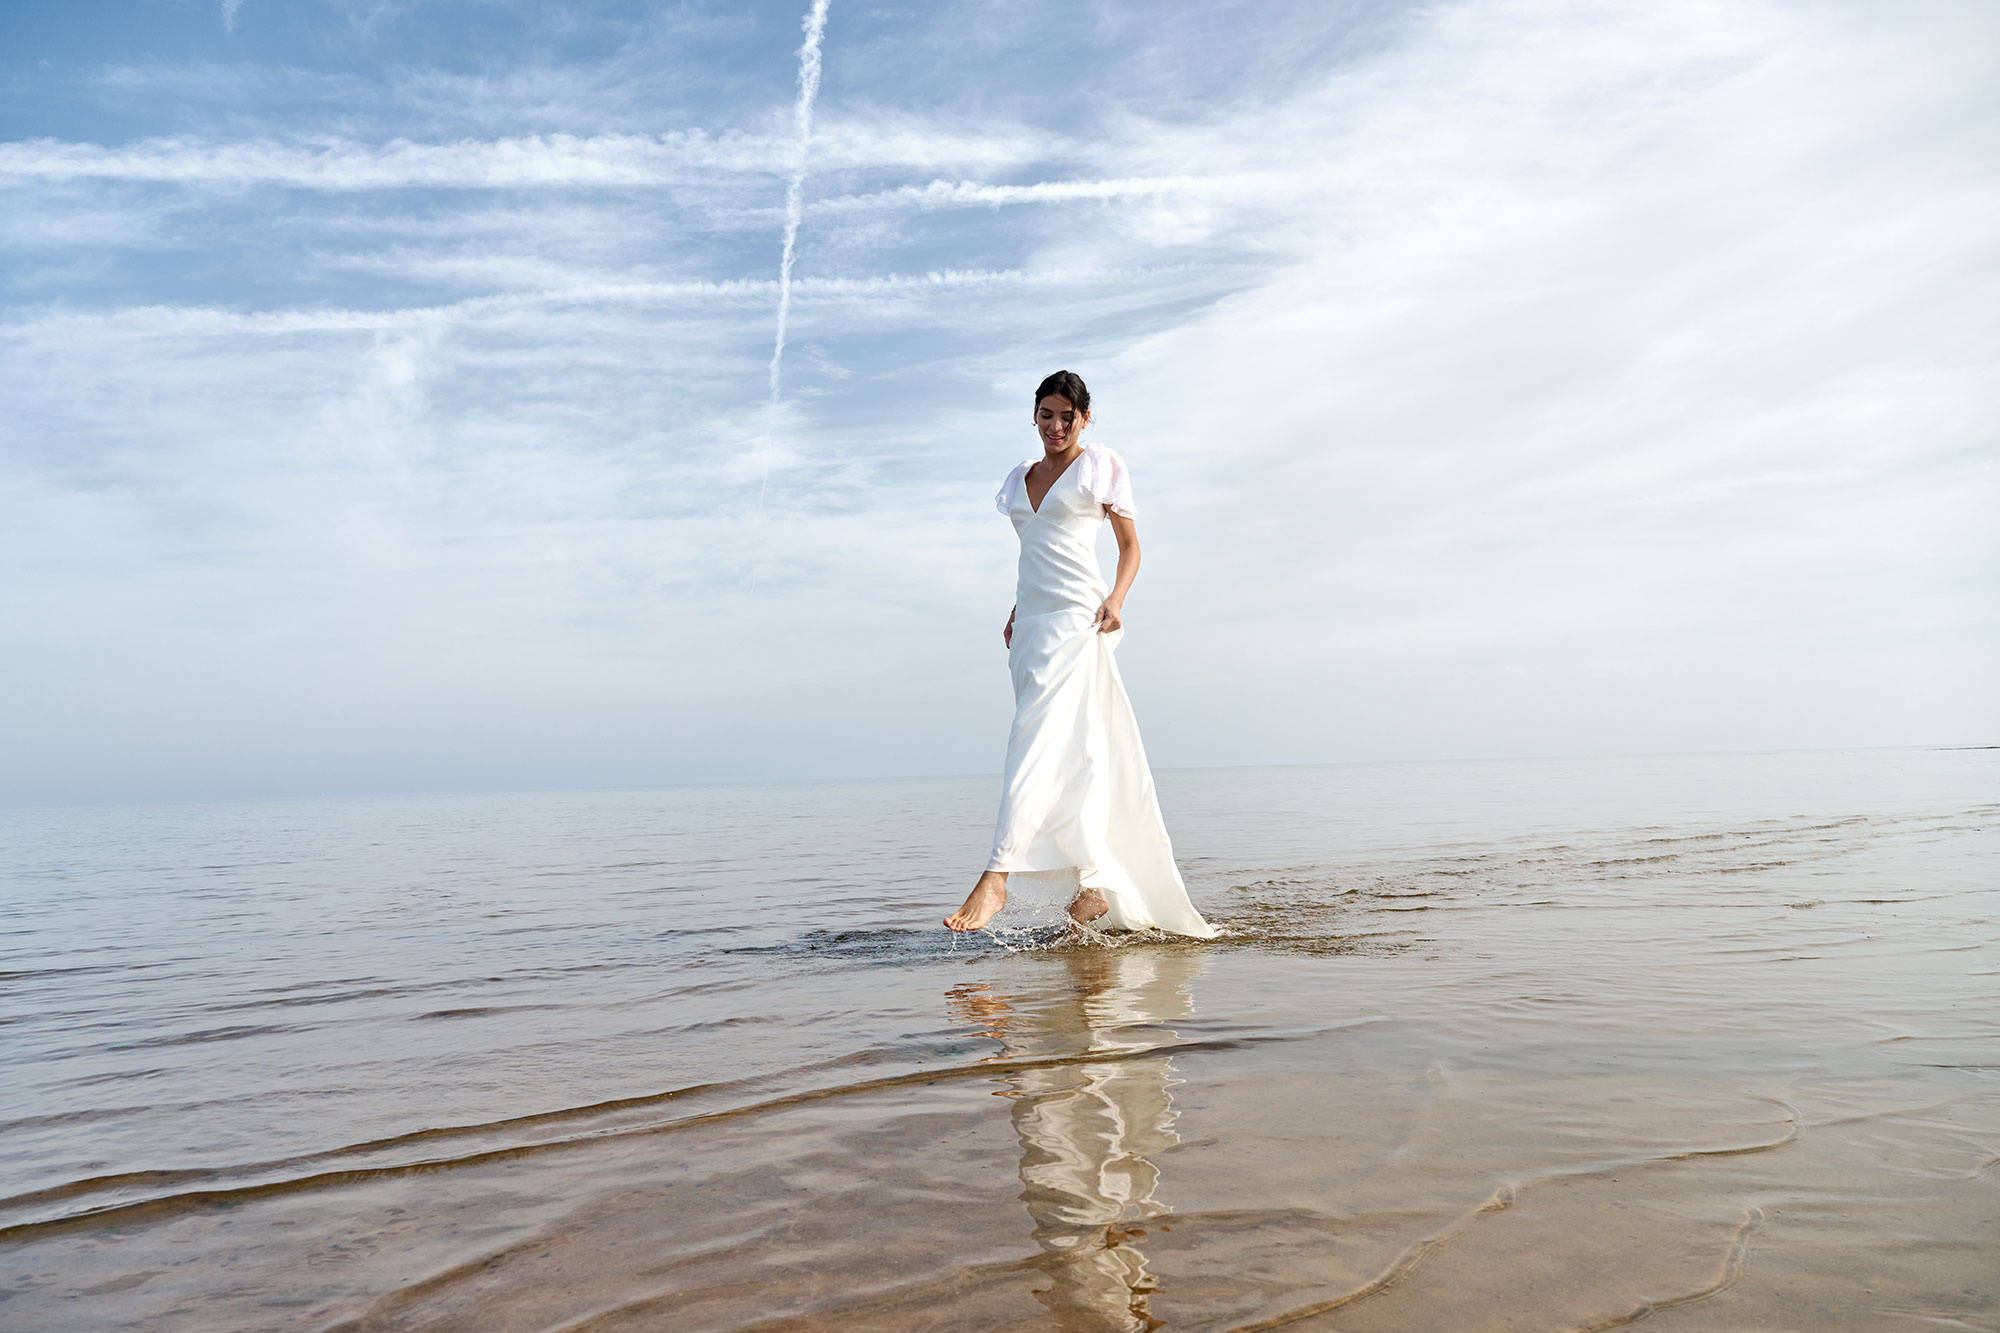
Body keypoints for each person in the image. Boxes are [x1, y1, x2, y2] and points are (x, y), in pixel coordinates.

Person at [943, 371, 1218, 939]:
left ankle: (996, 878)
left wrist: (1117, 598)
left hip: (1078, 621)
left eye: (1068, 416)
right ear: (1035, 416)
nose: (1057, 425)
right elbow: (1034, 552)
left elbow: (1130, 547)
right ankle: (1091, 883)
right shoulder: (1018, 478)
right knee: (1074, 753)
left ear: (1085, 419)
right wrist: (1016, 610)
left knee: (1031, 743)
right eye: (1047, 414)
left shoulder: (1100, 466)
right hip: (1031, 630)